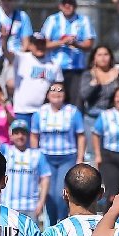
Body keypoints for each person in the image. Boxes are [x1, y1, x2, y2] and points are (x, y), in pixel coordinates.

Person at [31, 81, 85, 224]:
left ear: (65, 94)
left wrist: (80, 157)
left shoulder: (73, 112)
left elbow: (80, 136)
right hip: (46, 157)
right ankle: (51, 223)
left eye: (60, 91)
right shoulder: (40, 113)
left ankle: (63, 220)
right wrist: (35, 157)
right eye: (53, 91)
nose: (56, 94)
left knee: (61, 193)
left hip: (67, 157)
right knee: (48, 193)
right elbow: (34, 136)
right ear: (48, 95)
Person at [42, 0, 95, 106]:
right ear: (60, 6)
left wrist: (76, 44)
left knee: (75, 103)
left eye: (70, 3)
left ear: (75, 6)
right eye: (65, 3)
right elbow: (43, 44)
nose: (67, 6)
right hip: (55, 69)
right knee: (55, 100)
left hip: (76, 70)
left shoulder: (83, 20)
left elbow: (89, 44)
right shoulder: (52, 20)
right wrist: (62, 42)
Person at [6, 31, 63, 119]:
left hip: (45, 112)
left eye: (42, 44)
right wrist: (3, 40)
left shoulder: (54, 64)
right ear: (30, 46)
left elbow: (59, 86)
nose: (40, 47)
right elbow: (7, 53)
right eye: (37, 44)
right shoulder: (21, 58)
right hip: (23, 111)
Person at [2, 119, 50, 221]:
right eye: (16, 133)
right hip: (8, 206)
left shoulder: (37, 155)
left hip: (31, 207)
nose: (20, 136)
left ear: (28, 135)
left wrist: (41, 202)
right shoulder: (5, 151)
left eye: (23, 133)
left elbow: (45, 178)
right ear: (11, 135)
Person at [83, 44, 119, 120]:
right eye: (99, 55)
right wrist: (94, 84)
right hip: (93, 115)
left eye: (106, 54)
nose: (103, 58)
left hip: (114, 117)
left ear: (110, 57)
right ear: (94, 58)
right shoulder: (88, 74)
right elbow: (84, 96)